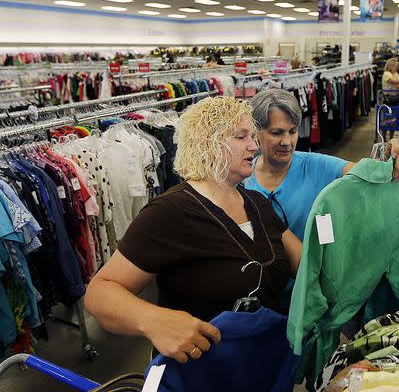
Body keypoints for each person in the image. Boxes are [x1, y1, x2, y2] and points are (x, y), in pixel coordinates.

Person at [85, 97, 303, 363]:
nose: (253, 146)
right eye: (240, 136)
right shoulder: (169, 212)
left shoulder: (257, 204)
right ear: (207, 144)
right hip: (201, 372)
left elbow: (305, 264)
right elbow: (100, 292)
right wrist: (153, 320)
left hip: (264, 365)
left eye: (252, 137)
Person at [245, 89, 399, 241]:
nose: (287, 142)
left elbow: (366, 172)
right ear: (255, 131)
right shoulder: (243, 177)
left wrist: (390, 162)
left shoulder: (315, 165)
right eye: (277, 133)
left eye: (293, 131)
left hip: (309, 273)